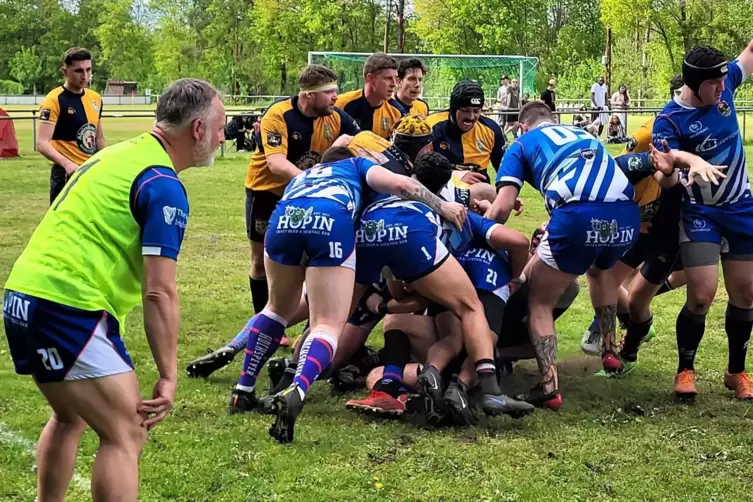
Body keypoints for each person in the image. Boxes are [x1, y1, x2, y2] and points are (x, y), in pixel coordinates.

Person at [2, 78, 224, 502]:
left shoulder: (117, 154)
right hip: (66, 306)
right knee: (125, 432)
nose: (222, 137)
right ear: (197, 130)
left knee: (69, 416)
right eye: (219, 126)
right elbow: (159, 292)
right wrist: (169, 375)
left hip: (22, 296)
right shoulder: (162, 185)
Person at [229, 150, 466, 443]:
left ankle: (243, 390)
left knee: (276, 309)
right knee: (327, 324)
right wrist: (443, 206)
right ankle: (298, 389)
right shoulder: (357, 165)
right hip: (329, 219)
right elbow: (406, 186)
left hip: (285, 217)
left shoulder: (305, 176)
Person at [485, 101, 639, 407]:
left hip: (578, 214)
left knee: (540, 299)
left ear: (522, 126)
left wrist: (478, 232)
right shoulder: (583, 133)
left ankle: (548, 387)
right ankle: (609, 351)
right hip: (626, 214)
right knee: (601, 271)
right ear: (552, 119)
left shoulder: (521, 143)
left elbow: (502, 207)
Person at [653, 43, 753, 399]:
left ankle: (736, 372)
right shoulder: (668, 121)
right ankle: (685, 369)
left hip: (741, 208)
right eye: (714, 84)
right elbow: (666, 174)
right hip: (699, 213)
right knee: (702, 294)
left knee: (746, 292)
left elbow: (749, 54)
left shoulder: (724, 85)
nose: (722, 89)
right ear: (695, 83)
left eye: (724, 82)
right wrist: (677, 167)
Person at [242, 64, 359, 331]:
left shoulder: (336, 117)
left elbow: (361, 139)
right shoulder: (278, 115)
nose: (335, 98)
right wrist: (311, 181)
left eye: (336, 92)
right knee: (260, 263)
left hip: (306, 197)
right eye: (329, 92)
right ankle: (264, 324)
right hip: (267, 193)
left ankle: (313, 325)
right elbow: (275, 163)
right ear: (308, 95)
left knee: (312, 262)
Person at [38, 47, 105, 205]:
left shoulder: (95, 98)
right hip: (66, 173)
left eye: (88, 69)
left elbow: (99, 137)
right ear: (64, 71)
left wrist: (105, 162)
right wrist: (68, 165)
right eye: (78, 71)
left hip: (91, 170)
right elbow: (42, 143)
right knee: (63, 224)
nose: (85, 76)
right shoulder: (54, 100)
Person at [426, 80, 506, 184]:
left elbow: (505, 170)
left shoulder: (491, 129)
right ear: (453, 109)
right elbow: (418, 169)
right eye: (465, 110)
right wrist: (455, 175)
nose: (471, 117)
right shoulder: (431, 126)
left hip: (480, 194)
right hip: (443, 192)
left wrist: (506, 194)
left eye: (476, 111)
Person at [336, 53, 406, 138]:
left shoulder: (397, 112)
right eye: (388, 78)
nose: (394, 84)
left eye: (395, 78)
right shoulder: (341, 105)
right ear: (371, 79)